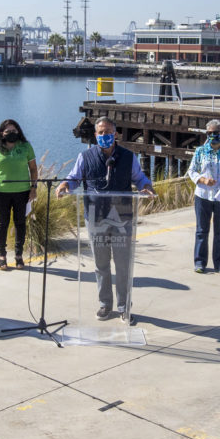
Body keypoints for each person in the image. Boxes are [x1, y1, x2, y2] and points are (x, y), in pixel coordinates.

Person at [56, 118, 153, 319]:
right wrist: (65, 185)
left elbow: (139, 178)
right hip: (95, 218)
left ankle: (124, 306)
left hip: (122, 217)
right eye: (100, 133)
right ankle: (105, 304)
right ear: (95, 135)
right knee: (101, 264)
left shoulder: (128, 157)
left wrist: (146, 186)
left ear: (115, 134)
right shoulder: (85, 157)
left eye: (108, 132)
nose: (104, 136)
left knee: (122, 264)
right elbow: (74, 178)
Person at [186, 120, 220, 273]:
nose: (212, 136)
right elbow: (191, 171)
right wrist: (202, 180)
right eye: (209, 133)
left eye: (215, 133)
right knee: (202, 230)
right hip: (203, 195)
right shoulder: (200, 152)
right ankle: (200, 262)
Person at [0, 118, 38, 270]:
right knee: (3, 223)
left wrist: (33, 188)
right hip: (1, 192)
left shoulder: (26, 147)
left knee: (20, 223)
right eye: (8, 131)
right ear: (2, 133)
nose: (11, 133)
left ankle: (19, 255)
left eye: (14, 131)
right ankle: (2, 255)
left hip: (22, 192)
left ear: (18, 132)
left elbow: (33, 169)